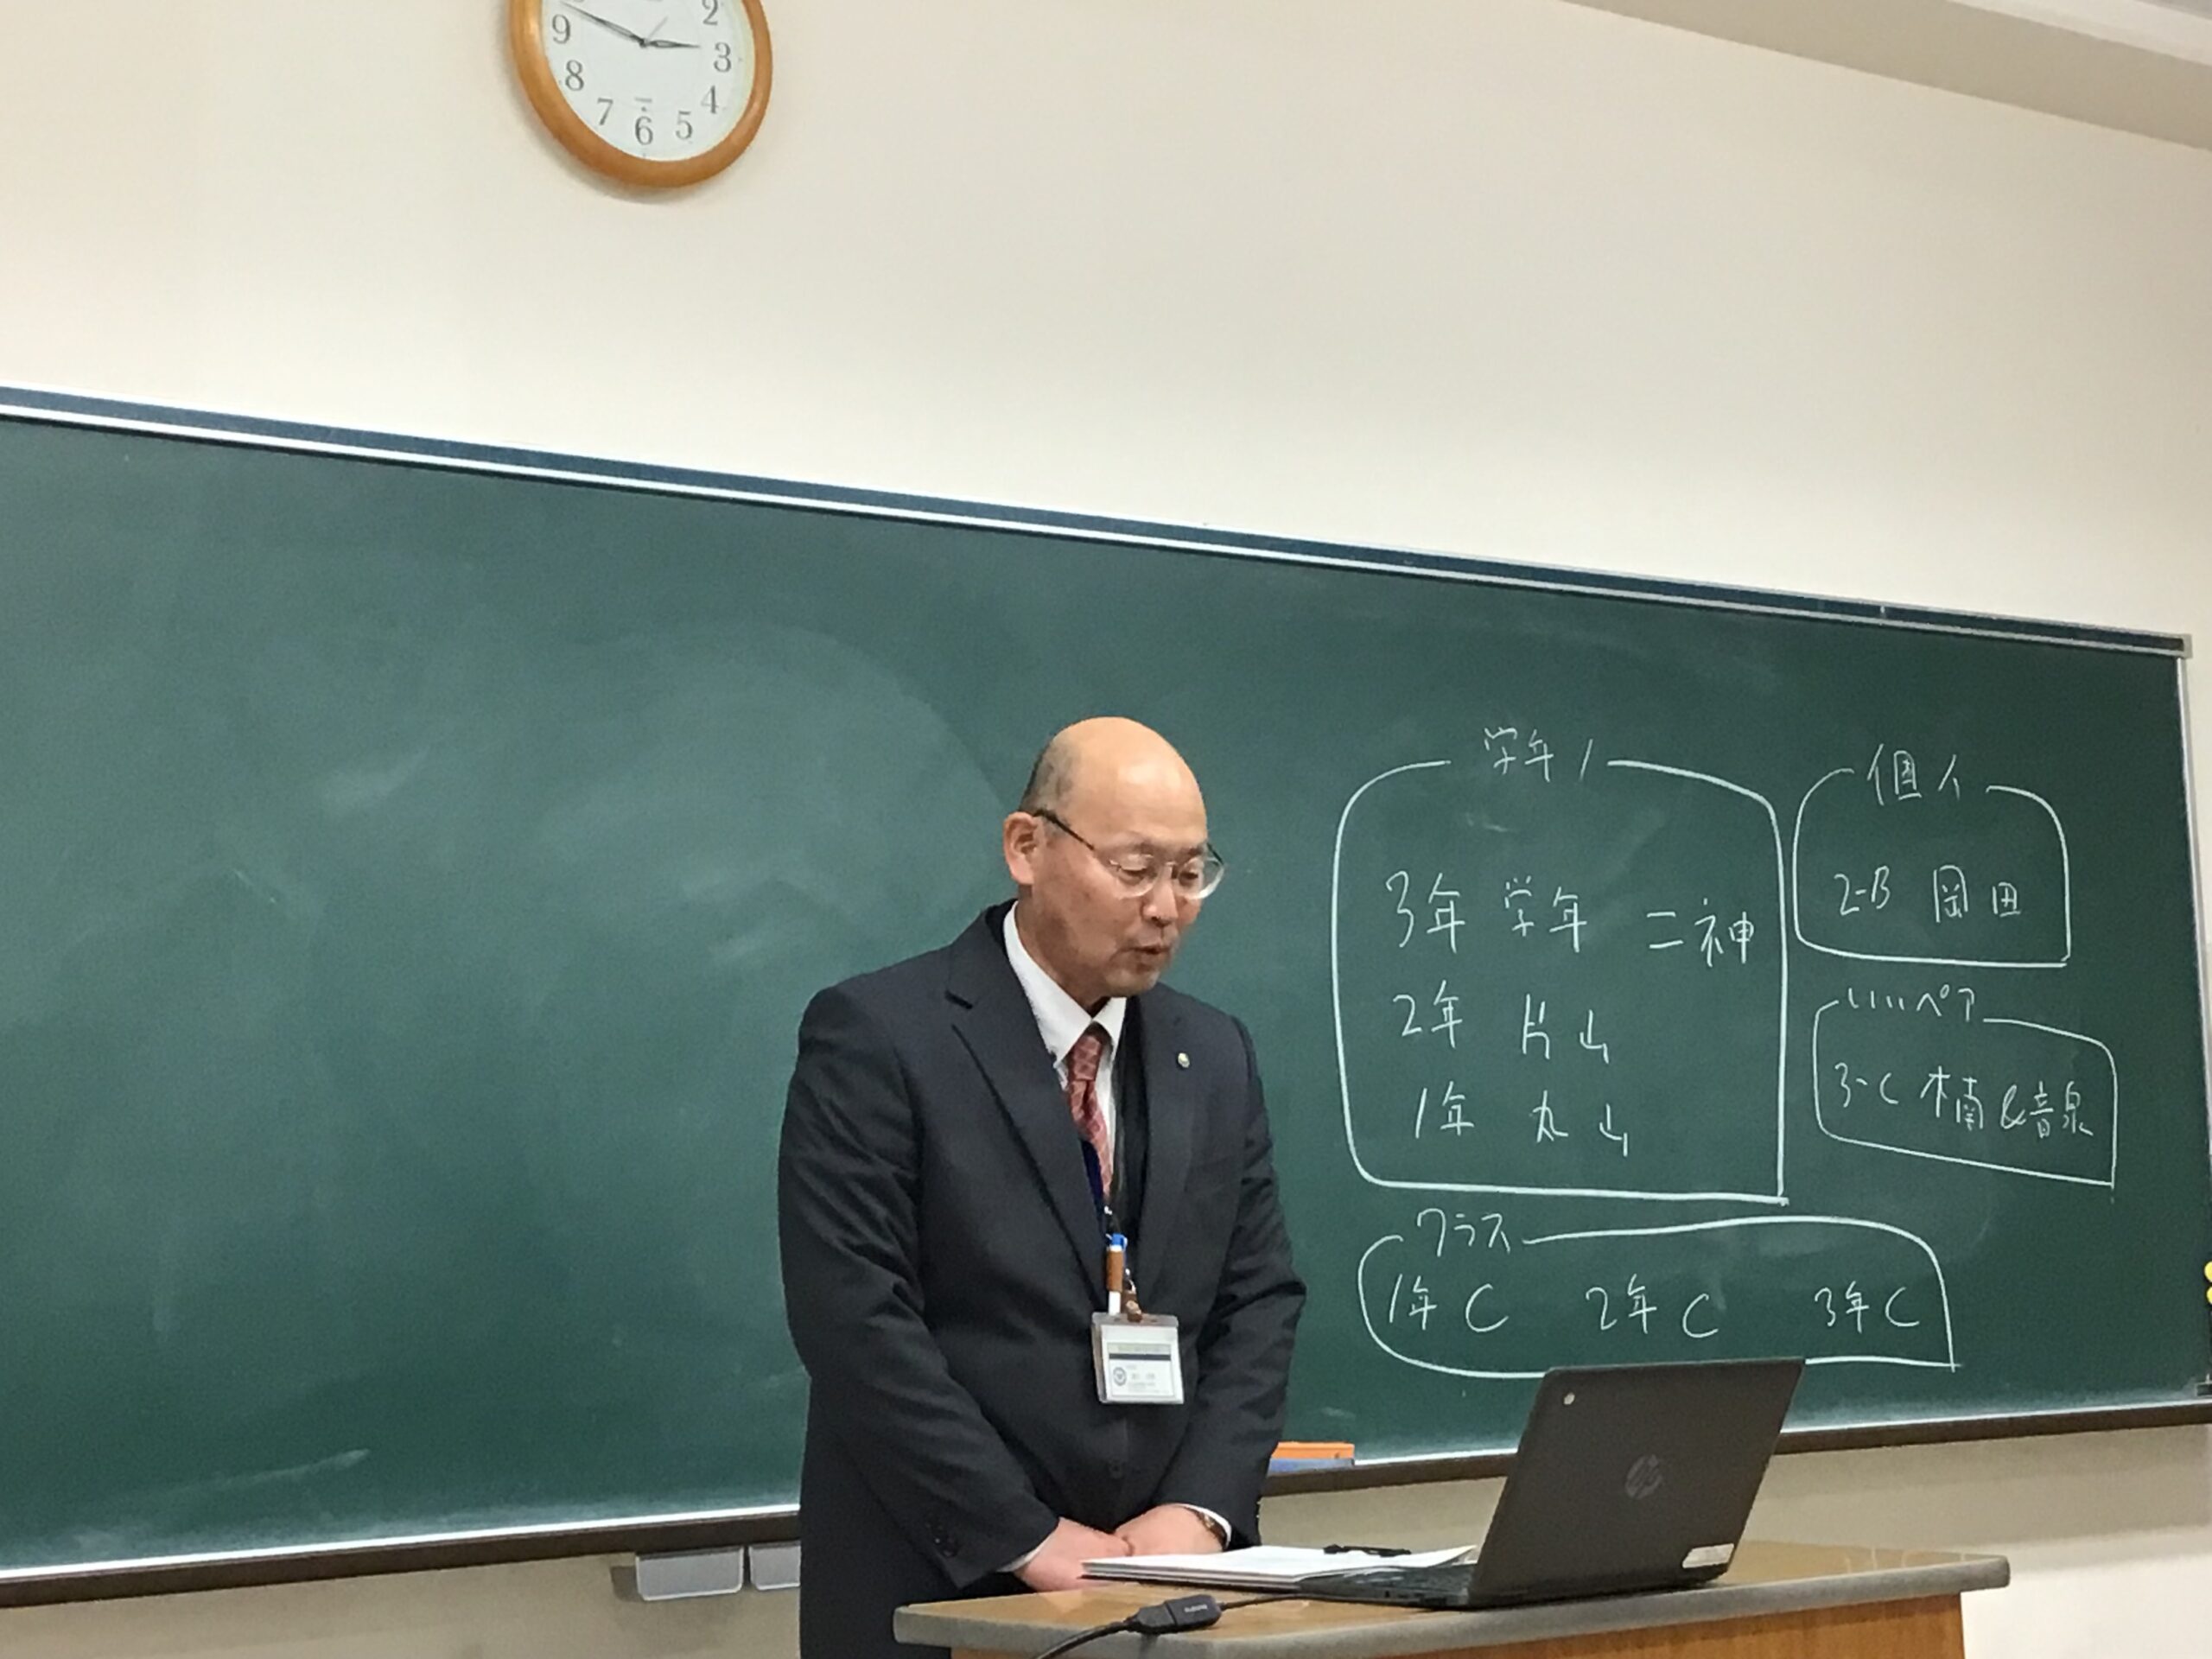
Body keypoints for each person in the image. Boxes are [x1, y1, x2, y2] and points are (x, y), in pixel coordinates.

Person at [778, 716, 1306, 1658]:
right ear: (1027, 847)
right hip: (940, 1587)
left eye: (1191, 874)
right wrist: (1028, 1537)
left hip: (1168, 1594)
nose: (1166, 907)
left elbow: (1257, 1299)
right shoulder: (881, 1036)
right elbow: (854, 1318)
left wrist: (1199, 1510)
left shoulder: (1213, 1051)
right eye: (1135, 868)